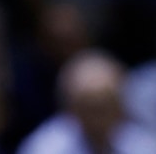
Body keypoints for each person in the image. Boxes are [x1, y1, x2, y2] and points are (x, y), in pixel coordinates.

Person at [16, 47, 156, 154]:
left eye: (107, 106)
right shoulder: (43, 149)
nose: (99, 118)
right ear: (70, 108)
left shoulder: (143, 145)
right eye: (91, 108)